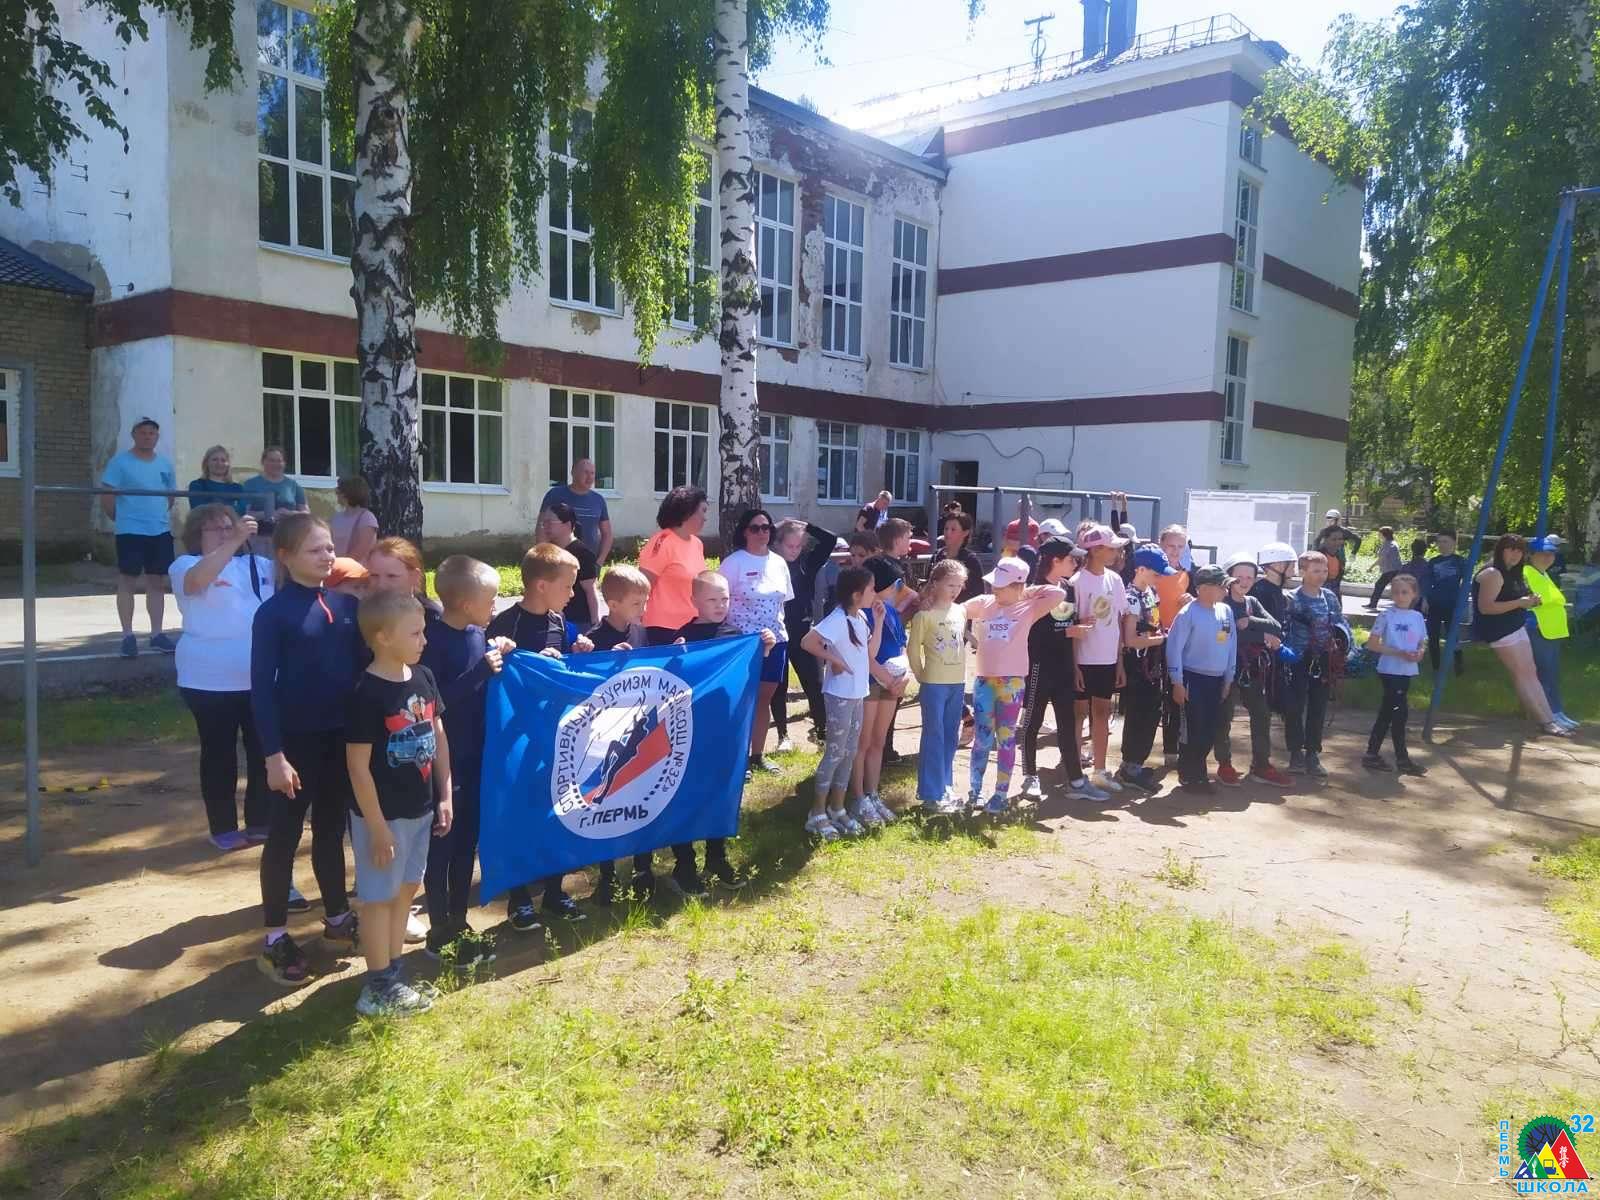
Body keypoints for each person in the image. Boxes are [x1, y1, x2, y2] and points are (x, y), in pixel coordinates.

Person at [250, 513, 361, 986]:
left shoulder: (346, 605)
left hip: (339, 741)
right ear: (285, 556)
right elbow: (261, 689)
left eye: (330, 547)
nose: (327, 555)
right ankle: (275, 938)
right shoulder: (273, 614)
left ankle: (337, 918)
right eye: (315, 549)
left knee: (331, 831)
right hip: (294, 745)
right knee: (284, 835)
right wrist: (274, 755)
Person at [345, 589, 453, 1016]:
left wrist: (445, 794)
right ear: (383, 637)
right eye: (415, 633)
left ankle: (393, 973)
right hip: (383, 820)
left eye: (423, 631)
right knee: (378, 899)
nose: (424, 640)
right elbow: (358, 768)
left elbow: (438, 735)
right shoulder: (365, 693)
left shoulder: (423, 675)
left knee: (406, 891)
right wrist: (376, 827)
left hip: (420, 811)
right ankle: (377, 988)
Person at [487, 542, 595, 923]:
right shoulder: (505, 625)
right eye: (568, 586)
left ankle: (554, 892)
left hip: (553, 738)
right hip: (516, 740)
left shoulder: (560, 623)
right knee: (518, 816)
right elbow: (494, 675)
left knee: (556, 812)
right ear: (541, 585)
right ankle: (518, 897)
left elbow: (566, 670)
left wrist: (576, 652)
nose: (573, 594)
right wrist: (517, 658)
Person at [418, 555, 514, 962]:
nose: (495, 605)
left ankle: (458, 921)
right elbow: (431, 703)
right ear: (464, 602)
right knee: (442, 846)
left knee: (466, 845)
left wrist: (501, 651)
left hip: (476, 759)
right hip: (444, 764)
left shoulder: (477, 634)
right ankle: (438, 929)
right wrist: (480, 672)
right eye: (490, 598)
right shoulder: (431, 642)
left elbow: (484, 675)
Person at [170, 504, 274, 850]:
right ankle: (223, 827)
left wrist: (293, 528)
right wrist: (233, 541)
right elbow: (196, 582)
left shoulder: (256, 565)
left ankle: (260, 821)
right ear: (196, 535)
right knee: (219, 755)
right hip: (208, 681)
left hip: (257, 678)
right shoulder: (185, 565)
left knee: (262, 751)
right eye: (215, 529)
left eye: (230, 527)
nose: (226, 533)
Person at [666, 571, 776, 886]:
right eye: (712, 599)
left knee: (720, 794)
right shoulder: (684, 637)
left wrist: (763, 650)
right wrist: (676, 658)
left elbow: (747, 675)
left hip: (725, 730)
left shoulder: (736, 635)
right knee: (687, 796)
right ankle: (684, 865)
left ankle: (717, 857)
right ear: (694, 601)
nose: (720, 605)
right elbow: (670, 681)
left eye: (725, 599)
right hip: (691, 732)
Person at [963, 557, 1066, 814]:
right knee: (982, 738)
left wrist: (1026, 591)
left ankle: (1000, 794)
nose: (995, 589)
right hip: (984, 681)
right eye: (994, 584)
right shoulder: (985, 603)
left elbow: (1058, 593)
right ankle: (975, 791)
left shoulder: (1029, 607)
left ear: (1018, 585)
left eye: (1001, 585)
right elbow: (959, 609)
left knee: (1006, 738)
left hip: (1012, 683)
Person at [585, 565, 661, 903]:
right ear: (612, 604)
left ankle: (644, 867)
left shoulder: (641, 632)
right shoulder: (593, 638)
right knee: (609, 798)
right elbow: (584, 683)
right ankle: (607, 874)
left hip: (639, 729)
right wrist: (601, 660)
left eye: (645, 601)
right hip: (606, 733)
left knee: (642, 794)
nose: (643, 609)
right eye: (636, 603)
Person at [1019, 539, 1109, 803]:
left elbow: (1061, 624)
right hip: (1038, 666)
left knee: (1068, 724)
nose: (1076, 563)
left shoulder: (1067, 587)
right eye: (1071, 559)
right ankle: (1030, 776)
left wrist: (1078, 624)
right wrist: (1070, 631)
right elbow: (1032, 633)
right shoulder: (1034, 591)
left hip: (1064, 667)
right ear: (1055, 561)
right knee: (1032, 722)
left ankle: (1076, 781)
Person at [801, 566, 881, 839]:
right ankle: (816, 813)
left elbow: (869, 653)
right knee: (835, 752)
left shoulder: (860, 617)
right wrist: (833, 659)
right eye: (871, 589)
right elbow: (808, 642)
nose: (874, 593)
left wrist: (879, 622)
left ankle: (837, 807)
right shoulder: (837, 619)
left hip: (857, 694)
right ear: (857, 594)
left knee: (849, 751)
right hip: (840, 696)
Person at [1473, 534, 1570, 737]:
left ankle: (1549, 719)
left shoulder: (1513, 572)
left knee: (1530, 672)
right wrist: (1520, 603)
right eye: (1511, 549)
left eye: (1519, 550)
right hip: (1499, 630)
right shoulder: (1493, 573)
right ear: (1501, 550)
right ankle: (1545, 721)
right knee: (1522, 673)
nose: (1515, 554)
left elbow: (1515, 598)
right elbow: (1486, 608)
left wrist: (1530, 600)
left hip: (1515, 626)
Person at [720, 509, 793, 774]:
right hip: (743, 644)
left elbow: (783, 602)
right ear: (744, 532)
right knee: (742, 700)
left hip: (776, 641)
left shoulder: (779, 563)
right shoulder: (733, 563)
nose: (762, 532)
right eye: (755, 528)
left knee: (764, 699)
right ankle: (736, 759)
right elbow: (720, 601)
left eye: (766, 527)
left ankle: (757, 755)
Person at [101, 416, 179, 657]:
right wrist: (121, 518)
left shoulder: (164, 464)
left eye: (152, 433)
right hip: (130, 531)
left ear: (157, 437)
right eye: (143, 432)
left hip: (159, 531)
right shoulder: (120, 462)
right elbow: (107, 494)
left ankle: (157, 634)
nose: (147, 437)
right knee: (128, 581)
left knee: (156, 582)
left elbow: (170, 496)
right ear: (134, 435)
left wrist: (157, 516)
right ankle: (127, 636)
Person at [848, 557, 910, 829]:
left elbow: (902, 645)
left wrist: (903, 676)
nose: (901, 588)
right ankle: (857, 797)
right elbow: (864, 655)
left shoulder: (892, 612)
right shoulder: (863, 614)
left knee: (878, 741)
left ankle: (872, 794)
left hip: (891, 684)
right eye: (897, 583)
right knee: (862, 743)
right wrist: (886, 679)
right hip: (871, 684)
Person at [1212, 553, 1283, 787]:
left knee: (1261, 714)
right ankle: (1224, 763)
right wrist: (1262, 636)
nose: (1244, 582)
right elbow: (1226, 635)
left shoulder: (1252, 602)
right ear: (1228, 578)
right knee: (1223, 717)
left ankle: (1261, 764)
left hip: (1251, 669)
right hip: (1226, 669)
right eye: (1238, 577)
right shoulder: (1221, 604)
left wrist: (1250, 622)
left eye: (1249, 577)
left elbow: (1276, 626)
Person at [1281, 550, 1353, 778]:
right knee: (1295, 706)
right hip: (1298, 658)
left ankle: (1312, 753)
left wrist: (1345, 646)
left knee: (1318, 706)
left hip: (1323, 659)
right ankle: (1295, 753)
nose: (1321, 575)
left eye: (1324, 571)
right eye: (1315, 571)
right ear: (1302, 572)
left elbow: (1341, 623)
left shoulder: (1329, 597)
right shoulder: (1291, 598)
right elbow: (1283, 628)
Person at [1071, 525, 1131, 795]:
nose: (1116, 552)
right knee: (1078, 714)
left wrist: (1119, 661)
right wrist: (1074, 666)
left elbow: (1118, 620)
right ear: (1095, 550)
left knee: (1102, 714)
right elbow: (1072, 626)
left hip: (1107, 660)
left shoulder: (1115, 580)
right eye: (1111, 547)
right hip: (1082, 659)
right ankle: (1075, 772)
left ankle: (1100, 771)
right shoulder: (1076, 582)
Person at [907, 559, 970, 814]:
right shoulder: (924, 615)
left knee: (951, 735)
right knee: (934, 736)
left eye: (959, 585)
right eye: (950, 585)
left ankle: (945, 785)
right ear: (935, 584)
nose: (955, 590)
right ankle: (931, 793)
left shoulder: (960, 611)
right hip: (934, 683)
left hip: (957, 682)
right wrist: (922, 676)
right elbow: (913, 650)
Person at [1167, 565, 1237, 793]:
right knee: (1192, 730)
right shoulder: (1188, 614)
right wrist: (1177, 682)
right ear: (1204, 588)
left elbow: (1231, 645)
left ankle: (1199, 774)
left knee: (1209, 729)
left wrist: (1228, 678)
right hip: (1192, 679)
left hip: (1216, 681)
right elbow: (1174, 648)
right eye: (1221, 586)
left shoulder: (1225, 611)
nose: (1225, 590)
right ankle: (1190, 776)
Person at [773, 518, 839, 747]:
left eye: (798, 546)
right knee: (779, 688)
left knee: (815, 685)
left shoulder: (807, 563)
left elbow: (829, 540)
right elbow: (760, 538)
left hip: (803, 632)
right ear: (778, 544)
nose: (794, 550)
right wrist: (777, 526)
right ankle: (783, 736)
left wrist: (806, 525)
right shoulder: (770, 563)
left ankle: (822, 731)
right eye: (789, 546)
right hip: (778, 632)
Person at [1114, 544, 1174, 793]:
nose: (1159, 578)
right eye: (1156, 573)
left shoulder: (1150, 592)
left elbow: (1154, 624)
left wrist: (1159, 637)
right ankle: (1130, 767)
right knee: (1138, 715)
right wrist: (1161, 640)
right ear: (1140, 569)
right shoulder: (1130, 597)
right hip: (1137, 666)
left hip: (1152, 663)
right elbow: (1130, 640)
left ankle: (1137, 763)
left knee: (1152, 713)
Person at [1362, 572, 1428, 775]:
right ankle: (1401, 759)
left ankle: (1373, 754)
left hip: (1406, 670)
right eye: (1396, 592)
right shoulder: (1386, 615)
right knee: (1398, 714)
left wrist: (1419, 652)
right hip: (1390, 670)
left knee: (1391, 712)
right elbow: (1373, 644)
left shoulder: (1417, 617)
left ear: (1414, 594)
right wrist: (1399, 653)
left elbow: (1422, 641)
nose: (1400, 596)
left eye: (1404, 592)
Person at [640, 486, 708, 644]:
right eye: (703, 511)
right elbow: (642, 587)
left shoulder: (697, 543)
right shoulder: (662, 541)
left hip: (692, 626)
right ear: (687, 511)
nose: (705, 518)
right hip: (663, 629)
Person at [1526, 536, 1578, 731]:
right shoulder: (1527, 573)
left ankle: (1557, 711)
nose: (1548, 557)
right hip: (1540, 630)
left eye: (1551, 554)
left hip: (1552, 631)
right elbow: (1525, 601)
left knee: (1552, 674)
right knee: (1545, 674)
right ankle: (1548, 714)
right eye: (1543, 554)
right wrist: (1532, 622)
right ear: (1531, 555)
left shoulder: (1543, 574)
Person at [1153, 524, 1193, 766]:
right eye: (1171, 546)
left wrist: (1192, 600)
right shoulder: (1150, 573)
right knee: (1151, 700)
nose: (1175, 551)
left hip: (1178, 643)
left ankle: (1171, 749)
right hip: (1151, 642)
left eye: (1180, 546)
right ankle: (1135, 756)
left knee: (1175, 695)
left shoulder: (1188, 575)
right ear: (1161, 545)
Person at [541, 501, 599, 631]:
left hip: (577, 621)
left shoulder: (583, 553)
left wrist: (595, 622)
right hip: (551, 619)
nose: (545, 527)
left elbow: (590, 590)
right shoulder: (548, 551)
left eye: (550, 522)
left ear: (567, 525)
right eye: (544, 523)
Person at [540, 459, 613, 562]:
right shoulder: (555, 495)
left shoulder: (598, 500)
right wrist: (543, 557)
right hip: (559, 561)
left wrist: (600, 561)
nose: (590, 477)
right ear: (573, 473)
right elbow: (541, 528)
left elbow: (607, 534)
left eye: (592, 473)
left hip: (589, 561)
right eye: (585, 472)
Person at [242, 445, 309, 541]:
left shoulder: (293, 485)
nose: (275, 464)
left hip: (288, 536)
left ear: (284, 463)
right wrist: (270, 514)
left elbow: (306, 514)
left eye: (279, 461)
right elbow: (245, 513)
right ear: (263, 462)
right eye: (271, 460)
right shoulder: (250, 484)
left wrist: (289, 513)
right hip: (259, 536)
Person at [1424, 531, 1468, 676]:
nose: (1441, 545)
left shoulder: (1460, 561)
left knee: (1452, 634)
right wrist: (1425, 599)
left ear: (1454, 543)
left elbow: (1466, 583)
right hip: (1435, 603)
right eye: (1439, 542)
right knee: (1433, 635)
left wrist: (1463, 601)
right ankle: (1436, 667)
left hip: (1452, 603)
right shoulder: (1433, 562)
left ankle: (1458, 662)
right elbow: (1427, 582)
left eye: (1445, 541)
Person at [367, 536, 440, 618]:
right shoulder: (359, 615)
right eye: (374, 576)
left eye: (391, 576)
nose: (381, 585)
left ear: (414, 576)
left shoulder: (432, 618)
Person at [816, 531, 877, 621]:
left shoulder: (887, 578)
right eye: (853, 555)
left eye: (862, 555)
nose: (856, 560)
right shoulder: (846, 580)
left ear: (876, 553)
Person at [931, 510, 984, 603]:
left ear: (965, 533)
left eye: (953, 529)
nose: (948, 533)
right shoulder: (937, 555)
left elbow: (978, 593)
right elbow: (929, 584)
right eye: (946, 529)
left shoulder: (971, 561)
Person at [330, 476, 380, 564]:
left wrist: (342, 565)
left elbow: (363, 548)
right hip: (336, 567)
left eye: (338, 491)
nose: (336, 494)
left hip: (356, 569)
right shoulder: (336, 517)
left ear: (346, 494)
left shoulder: (367, 518)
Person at [187, 445, 248, 515]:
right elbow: (198, 511)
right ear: (206, 463)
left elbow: (242, 512)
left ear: (228, 464)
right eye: (215, 459)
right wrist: (229, 509)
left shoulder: (237, 488)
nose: (219, 463)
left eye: (223, 460)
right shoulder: (197, 485)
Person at [1365, 526, 1403, 610]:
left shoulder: (1389, 545)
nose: (1378, 535)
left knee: (1380, 585)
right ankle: (1373, 604)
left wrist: (1371, 567)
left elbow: (1382, 558)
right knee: (1387, 586)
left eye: (1379, 533)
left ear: (1384, 534)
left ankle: (1373, 604)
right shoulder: (1390, 543)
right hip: (1392, 570)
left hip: (1391, 570)